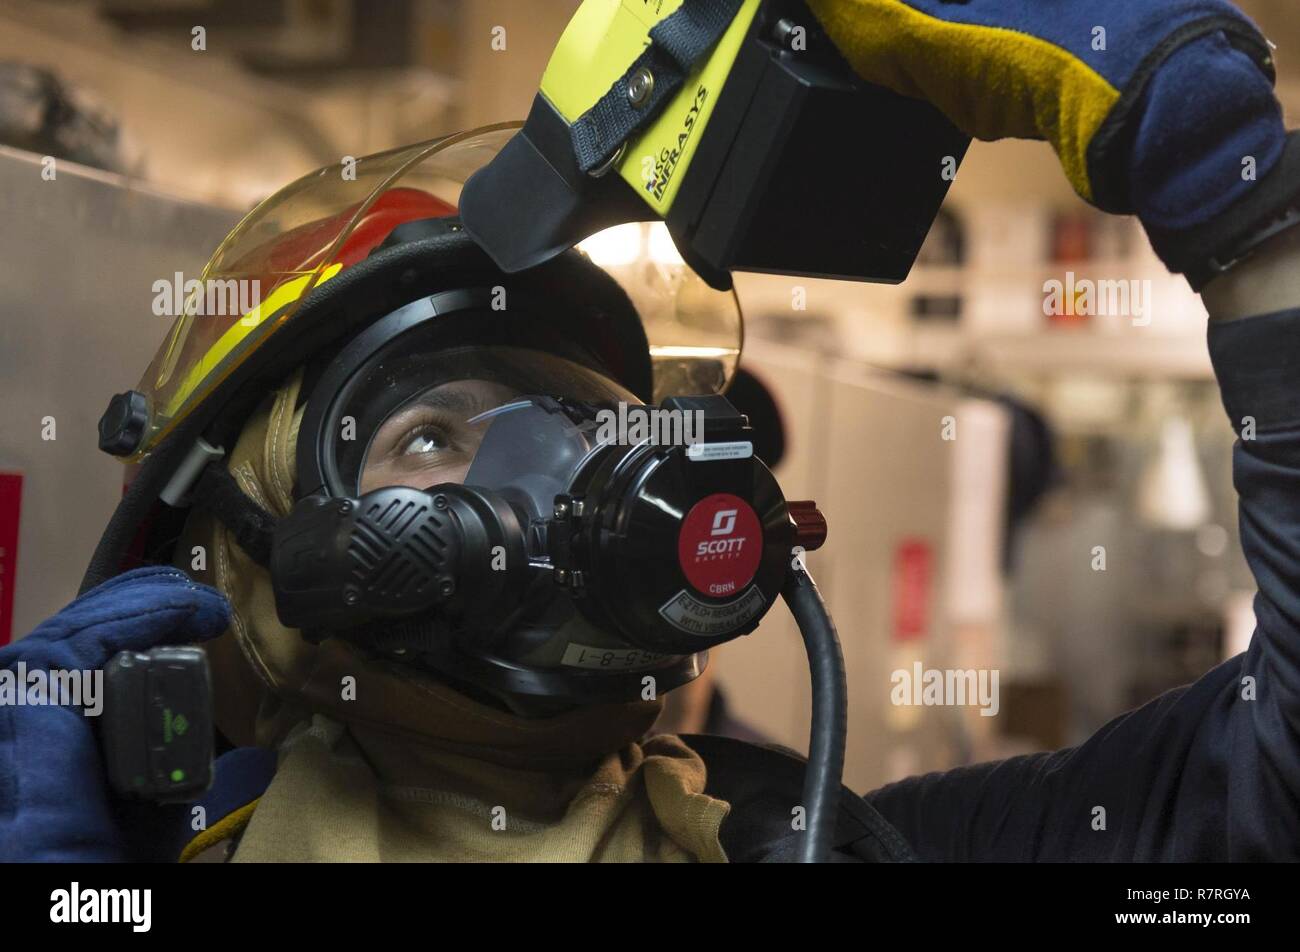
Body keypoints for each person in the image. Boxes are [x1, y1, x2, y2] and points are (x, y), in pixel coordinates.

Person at [4, 0, 1300, 862]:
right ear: (257, 549)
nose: (554, 462)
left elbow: (1259, 787)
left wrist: (1251, 230)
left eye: (581, 418)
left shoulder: (825, 843)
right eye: (429, 434)